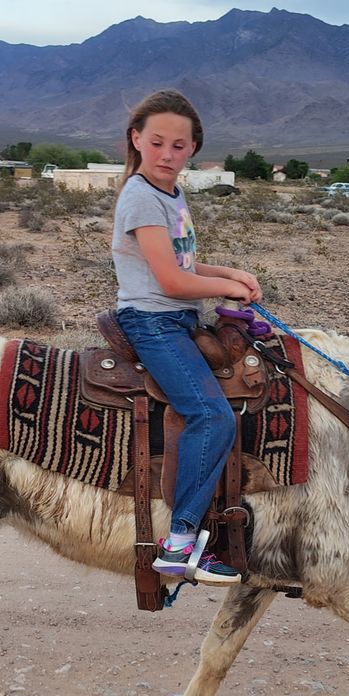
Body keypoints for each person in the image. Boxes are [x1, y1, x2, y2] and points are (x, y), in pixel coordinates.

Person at [111, 89, 261, 585]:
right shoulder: (140, 195)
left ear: (193, 149)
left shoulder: (173, 194)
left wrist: (232, 273)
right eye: (157, 143)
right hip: (152, 321)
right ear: (137, 140)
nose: (166, 154)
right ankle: (178, 542)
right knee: (211, 415)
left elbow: (186, 265)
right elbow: (173, 283)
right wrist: (225, 288)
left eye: (178, 146)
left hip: (177, 319)